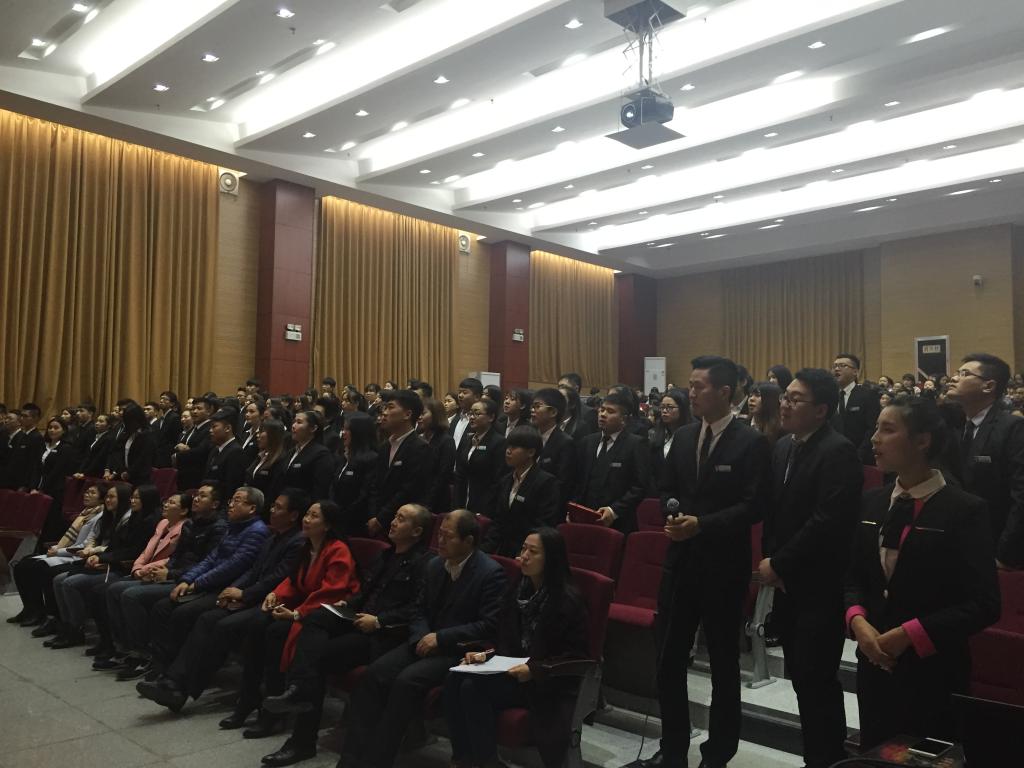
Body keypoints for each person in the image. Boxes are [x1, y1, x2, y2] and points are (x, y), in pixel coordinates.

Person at [845, 396, 1000, 748]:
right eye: (876, 428)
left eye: (888, 429)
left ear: (922, 441)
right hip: (874, 664)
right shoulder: (872, 502)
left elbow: (984, 604)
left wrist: (908, 634)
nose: (874, 438)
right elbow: (853, 577)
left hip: (934, 670)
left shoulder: (964, 510)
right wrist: (858, 622)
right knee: (876, 752)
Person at [640, 355, 771, 768]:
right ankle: (673, 749)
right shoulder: (683, 437)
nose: (690, 393)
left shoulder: (750, 442)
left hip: (723, 567)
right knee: (669, 661)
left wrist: (703, 525)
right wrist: (673, 513)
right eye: (690, 385)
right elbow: (665, 489)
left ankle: (717, 754)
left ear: (725, 392)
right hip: (680, 563)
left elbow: (754, 505)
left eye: (699, 387)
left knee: (723, 666)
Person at [260, 503, 433, 766]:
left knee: (316, 659)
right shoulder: (386, 555)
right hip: (359, 618)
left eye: (401, 519)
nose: (393, 522)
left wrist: (380, 621)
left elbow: (417, 609)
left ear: (417, 531)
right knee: (316, 617)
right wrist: (348, 604)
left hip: (383, 634)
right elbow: (365, 591)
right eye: (395, 516)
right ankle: (301, 697)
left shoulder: (425, 564)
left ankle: (302, 737)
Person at [339, 509, 506, 768]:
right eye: (440, 534)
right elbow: (418, 610)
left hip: (456, 650)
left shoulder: (491, 573)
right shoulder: (435, 565)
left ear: (469, 541)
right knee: (375, 674)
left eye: (448, 536)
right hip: (422, 640)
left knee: (406, 682)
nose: (440, 541)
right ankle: (350, 759)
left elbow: (488, 625)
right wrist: (422, 636)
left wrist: (439, 638)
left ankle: (377, 761)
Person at [758, 369, 863, 768]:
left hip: (820, 584)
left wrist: (780, 562)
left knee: (817, 678)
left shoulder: (838, 451)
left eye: (795, 399)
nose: (784, 404)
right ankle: (815, 756)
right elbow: (774, 512)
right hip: (788, 583)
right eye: (784, 397)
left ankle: (827, 757)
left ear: (821, 410)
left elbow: (828, 520)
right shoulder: (784, 446)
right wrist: (774, 561)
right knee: (802, 677)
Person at [445, 527, 589, 768]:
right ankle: (463, 757)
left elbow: (575, 656)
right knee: (453, 678)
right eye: (523, 549)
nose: (524, 556)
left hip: (544, 682)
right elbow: (501, 637)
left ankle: (486, 762)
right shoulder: (517, 589)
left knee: (472, 688)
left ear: (551, 558)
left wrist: (534, 670)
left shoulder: (567, 601)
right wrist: (484, 653)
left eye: (533, 551)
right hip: (511, 671)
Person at [216, 500, 359, 737]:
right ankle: (248, 698)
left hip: (327, 612)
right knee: (258, 623)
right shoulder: (306, 546)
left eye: (314, 516)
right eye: (307, 514)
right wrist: (276, 595)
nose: (306, 519)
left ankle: (273, 713)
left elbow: (331, 592)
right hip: (305, 603)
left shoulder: (338, 550)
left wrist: (296, 613)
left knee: (276, 632)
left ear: (327, 525)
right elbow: (293, 582)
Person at [146, 486, 270, 672]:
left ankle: (172, 669)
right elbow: (211, 559)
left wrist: (196, 584)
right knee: (162, 607)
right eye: (231, 500)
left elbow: (232, 567)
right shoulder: (233, 528)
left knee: (183, 613)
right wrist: (187, 580)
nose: (231, 505)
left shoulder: (256, 531)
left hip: (226, 587)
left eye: (237, 500)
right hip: (208, 583)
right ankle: (159, 662)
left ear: (252, 508)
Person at [110, 487, 228, 680]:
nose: (196, 499)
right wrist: (160, 571)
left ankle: (144, 654)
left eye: (203, 496)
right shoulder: (190, 524)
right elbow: (176, 557)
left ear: (215, 504)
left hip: (190, 580)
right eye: (196, 495)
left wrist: (170, 574)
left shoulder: (219, 528)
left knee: (131, 595)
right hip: (175, 574)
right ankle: (126, 648)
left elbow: (206, 563)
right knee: (114, 589)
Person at [50, 484, 159, 649]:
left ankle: (85, 632)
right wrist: (98, 556)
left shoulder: (147, 522)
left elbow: (134, 551)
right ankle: (68, 626)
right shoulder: (131, 517)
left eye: (137, 498)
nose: (133, 500)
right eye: (132, 497)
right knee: (58, 578)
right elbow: (111, 545)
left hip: (121, 567)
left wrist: (102, 558)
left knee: (71, 583)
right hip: (109, 561)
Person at [93, 487, 187, 669]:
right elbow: (146, 551)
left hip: (161, 574)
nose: (166, 504)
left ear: (183, 510)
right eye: (166, 501)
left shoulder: (184, 527)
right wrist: (138, 567)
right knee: (110, 590)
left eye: (172, 502)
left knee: (128, 595)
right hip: (143, 569)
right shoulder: (162, 524)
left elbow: (172, 558)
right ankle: (122, 647)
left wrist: (145, 569)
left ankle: (141, 653)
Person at [946, 353, 1024, 568]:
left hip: (996, 547)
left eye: (964, 374)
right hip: (961, 543)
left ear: (988, 386)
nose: (954, 378)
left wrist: (1006, 553)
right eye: (956, 373)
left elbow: (1021, 496)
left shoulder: (1012, 428)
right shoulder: (956, 427)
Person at [9, 482, 107, 631]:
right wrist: (57, 548)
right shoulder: (85, 513)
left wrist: (58, 551)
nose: (87, 495)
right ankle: (30, 609)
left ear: (101, 498)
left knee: (39, 568)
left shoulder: (100, 516)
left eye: (92, 493)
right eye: (86, 492)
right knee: (22, 565)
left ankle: (50, 616)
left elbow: (85, 545)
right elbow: (70, 539)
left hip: (77, 556)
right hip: (66, 552)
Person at [573, 390, 651, 533]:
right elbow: (578, 481)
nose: (603, 414)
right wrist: (573, 509)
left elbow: (640, 487)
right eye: (601, 410)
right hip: (585, 518)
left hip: (619, 522)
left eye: (610, 411)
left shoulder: (636, 444)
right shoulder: (587, 442)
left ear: (624, 419)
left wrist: (614, 510)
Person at [483, 426, 561, 556]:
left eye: (514, 447)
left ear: (531, 452)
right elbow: (498, 521)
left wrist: (523, 553)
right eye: (508, 446)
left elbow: (543, 525)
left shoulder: (547, 483)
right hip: (502, 550)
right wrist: (485, 550)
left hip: (527, 553)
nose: (508, 451)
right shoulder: (505, 481)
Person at [367, 389, 432, 536]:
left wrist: (381, 518)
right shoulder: (385, 446)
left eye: (390, 407)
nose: (384, 413)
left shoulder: (420, 448)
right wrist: (373, 515)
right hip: (376, 520)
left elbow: (408, 489)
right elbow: (375, 484)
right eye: (384, 408)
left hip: (405, 524)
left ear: (407, 414)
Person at [454, 397, 509, 516]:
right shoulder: (467, 440)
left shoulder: (499, 443)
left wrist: (486, 508)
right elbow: (460, 473)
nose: (472, 417)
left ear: (491, 417)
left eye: (477, 414)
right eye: (471, 413)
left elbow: (498, 480)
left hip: (485, 506)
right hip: (463, 501)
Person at [29, 416, 79, 541]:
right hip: (38, 487)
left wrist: (42, 489)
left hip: (54, 489)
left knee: (50, 520)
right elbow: (36, 468)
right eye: (50, 427)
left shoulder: (66, 448)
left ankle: (46, 544)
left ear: (64, 430)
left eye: (56, 428)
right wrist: (33, 487)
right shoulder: (43, 445)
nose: (52, 430)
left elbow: (57, 471)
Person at [331, 412, 380, 536]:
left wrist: (343, 514)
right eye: (343, 429)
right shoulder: (342, 456)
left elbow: (365, 493)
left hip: (355, 521)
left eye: (347, 429)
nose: (343, 433)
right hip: (336, 517)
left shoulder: (371, 458)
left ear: (359, 432)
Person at [531, 388, 576, 512]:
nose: (532, 410)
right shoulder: (530, 435)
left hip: (547, 507)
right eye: (532, 407)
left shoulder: (565, 443)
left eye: (537, 406)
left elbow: (562, 483)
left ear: (553, 412)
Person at [831, 353, 881, 463]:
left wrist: (859, 455)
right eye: (835, 366)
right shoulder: (830, 397)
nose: (837, 369)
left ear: (855, 371)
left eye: (842, 365)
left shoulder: (868, 395)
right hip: (834, 457)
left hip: (861, 457)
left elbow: (872, 428)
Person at [280, 410, 334, 501]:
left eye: (299, 422)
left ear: (313, 428)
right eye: (294, 422)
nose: (293, 426)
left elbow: (320, 490)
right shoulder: (291, 451)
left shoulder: (321, 454)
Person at [418, 397, 456, 514]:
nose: (419, 417)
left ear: (435, 415)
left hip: (436, 502)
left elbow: (443, 476)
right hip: (417, 497)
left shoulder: (446, 441)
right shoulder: (418, 438)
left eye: (423, 413)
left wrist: (427, 503)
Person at [245, 418, 289, 513]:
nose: (258, 435)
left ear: (273, 435)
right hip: (248, 507)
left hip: (261, 511)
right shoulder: (261, 456)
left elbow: (273, 493)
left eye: (262, 431)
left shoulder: (281, 461)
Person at [204, 407, 246, 503]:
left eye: (214, 427)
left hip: (222, 504)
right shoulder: (215, 449)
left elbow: (231, 485)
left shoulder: (235, 452)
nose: (210, 430)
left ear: (227, 428)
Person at [650, 388, 691, 486]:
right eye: (662, 407)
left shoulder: (692, 434)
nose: (664, 411)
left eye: (669, 407)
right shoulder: (655, 433)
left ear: (682, 409)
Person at [174, 395, 215, 491]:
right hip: (184, 476)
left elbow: (202, 451)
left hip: (197, 477)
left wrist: (179, 455)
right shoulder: (193, 428)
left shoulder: (210, 428)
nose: (194, 411)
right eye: (193, 409)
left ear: (209, 411)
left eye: (199, 409)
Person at [3, 402, 44, 490]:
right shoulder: (22, 435)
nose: (21, 418)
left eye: (25, 416)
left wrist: (27, 485)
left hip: (22, 483)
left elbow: (34, 464)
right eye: (21, 416)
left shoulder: (36, 438)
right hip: (11, 480)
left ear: (35, 418)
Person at [747, 382, 785, 448]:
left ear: (770, 400)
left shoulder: (781, 430)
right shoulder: (743, 424)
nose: (751, 399)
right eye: (750, 395)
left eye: (758, 395)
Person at [450, 377, 482, 453]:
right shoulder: (455, 419)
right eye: (459, 392)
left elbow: (482, 447)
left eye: (464, 393)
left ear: (477, 397)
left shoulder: (480, 421)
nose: (460, 395)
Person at [154, 391, 182, 468]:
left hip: (168, 457)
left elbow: (176, 439)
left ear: (172, 403)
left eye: (165, 399)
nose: (161, 401)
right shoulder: (160, 419)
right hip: (158, 457)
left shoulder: (175, 417)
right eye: (161, 399)